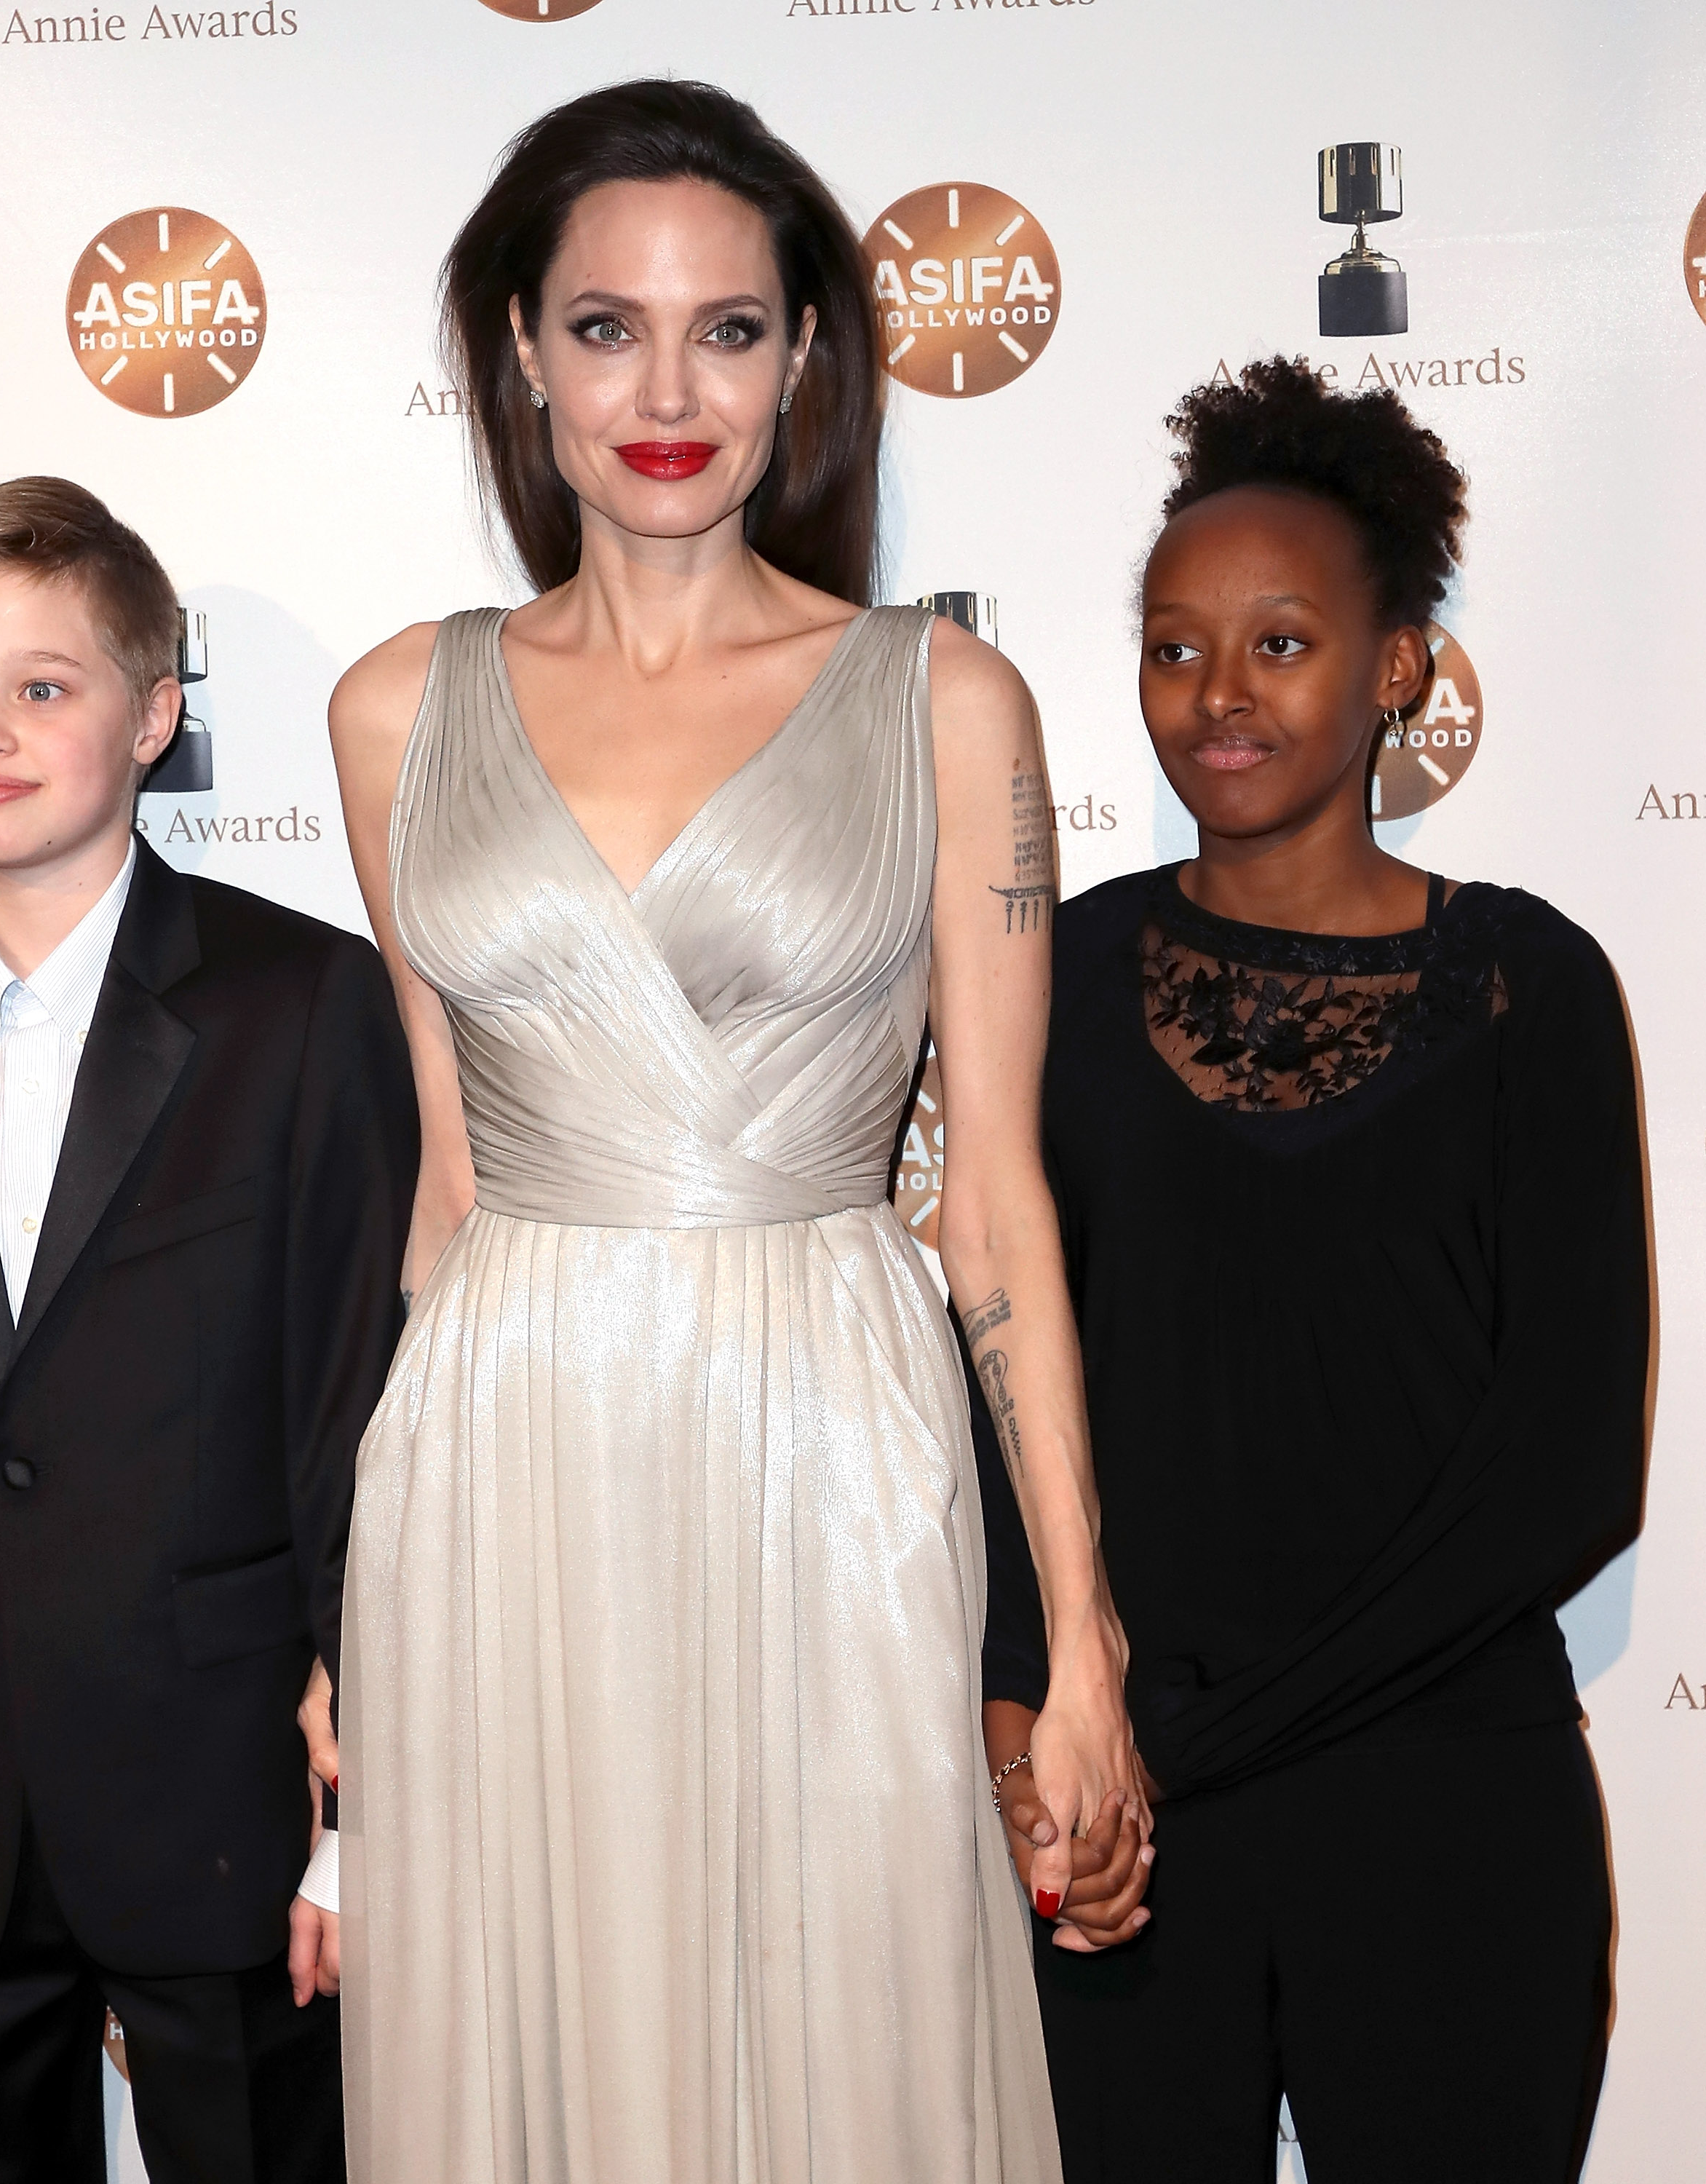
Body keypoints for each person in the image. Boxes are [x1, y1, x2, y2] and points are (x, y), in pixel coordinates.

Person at [316, 79, 1140, 2183]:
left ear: (804, 362)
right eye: (604, 328)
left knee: (853, 2028)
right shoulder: (397, 709)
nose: (665, 391)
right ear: (518, 351)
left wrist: (1080, 1643)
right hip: (499, 1456)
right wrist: (341, 1615)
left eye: (729, 330)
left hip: (830, 1434)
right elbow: (448, 1185)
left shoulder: (945, 704)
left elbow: (998, 1208)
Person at [988, 357, 1649, 2182]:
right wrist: (1027, 1733)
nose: (1216, 696)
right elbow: (1003, 1386)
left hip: (1445, 1809)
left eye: (1280, 644)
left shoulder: (1534, 989)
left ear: (1399, 671)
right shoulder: (1060, 982)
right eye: (1172, 645)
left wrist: (1186, 1749)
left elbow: (1567, 1474)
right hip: (1122, 1842)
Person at [0, 477, 418, 2184]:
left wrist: (364, 1825)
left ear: (156, 712)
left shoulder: (305, 1006)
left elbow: (368, 1436)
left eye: (44, 686)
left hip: (234, 1809)